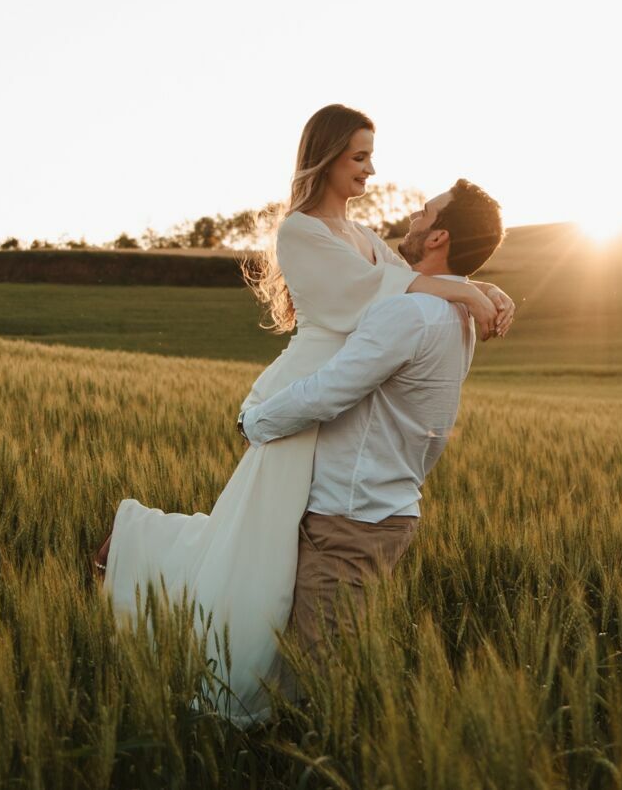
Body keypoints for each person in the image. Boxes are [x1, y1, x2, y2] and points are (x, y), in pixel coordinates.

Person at [97, 105, 516, 725]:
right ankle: (218, 673)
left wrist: (486, 286)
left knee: (254, 543)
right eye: (359, 157)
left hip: (330, 400)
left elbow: (409, 279)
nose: (372, 171)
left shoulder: (366, 237)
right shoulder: (300, 231)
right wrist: (464, 288)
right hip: (303, 391)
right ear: (326, 157)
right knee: (258, 545)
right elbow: (370, 296)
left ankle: (195, 629)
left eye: (371, 157)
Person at [240, 179, 503, 670]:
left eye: (425, 212)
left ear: (439, 237)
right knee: (321, 662)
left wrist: (254, 422)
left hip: (349, 518)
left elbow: (328, 391)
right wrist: (482, 289)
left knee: (318, 675)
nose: (414, 218)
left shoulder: (409, 313)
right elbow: (383, 274)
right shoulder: (456, 314)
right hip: (388, 509)